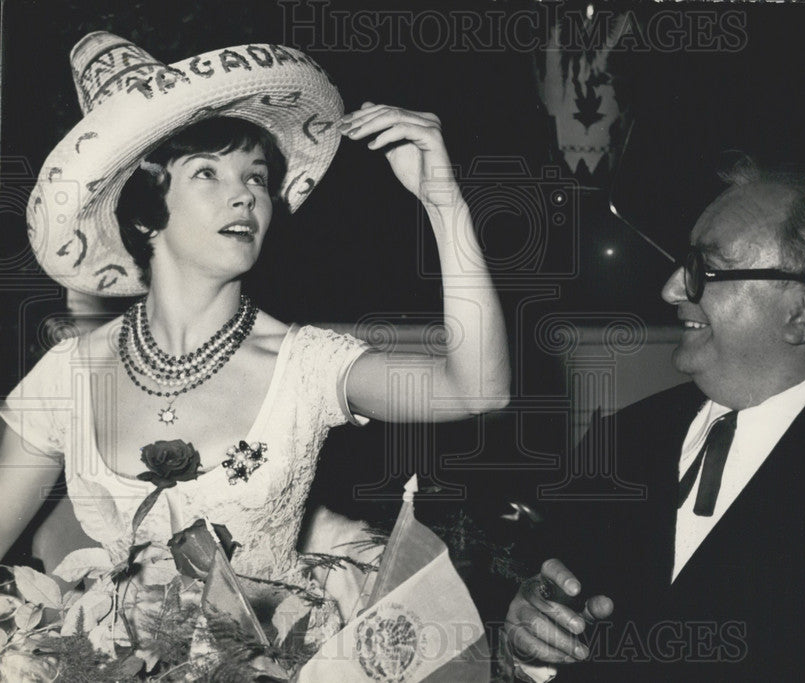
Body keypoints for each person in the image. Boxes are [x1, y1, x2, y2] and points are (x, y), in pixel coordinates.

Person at [0, 32, 508, 660]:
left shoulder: (304, 365)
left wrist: (444, 202)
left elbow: (478, 387)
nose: (245, 195)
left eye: (258, 178)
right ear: (142, 213)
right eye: (207, 174)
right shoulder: (67, 377)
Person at [500, 160, 805, 680]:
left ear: (802, 312)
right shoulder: (619, 440)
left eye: (704, 270)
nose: (670, 289)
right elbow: (548, 606)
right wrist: (526, 644)